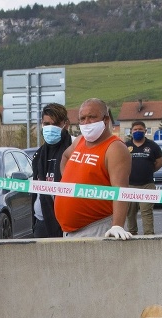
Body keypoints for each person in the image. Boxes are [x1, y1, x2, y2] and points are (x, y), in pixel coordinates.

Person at [53, 98, 133, 239]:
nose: (86, 123)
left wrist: (117, 225)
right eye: (82, 119)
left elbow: (121, 190)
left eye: (92, 117)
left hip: (98, 227)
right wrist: (68, 182)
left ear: (106, 119)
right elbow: (65, 157)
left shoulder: (115, 148)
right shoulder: (80, 141)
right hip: (69, 231)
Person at [31, 103, 71, 238]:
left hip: (68, 222)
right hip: (42, 222)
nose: (49, 128)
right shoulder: (39, 155)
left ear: (65, 124)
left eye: (54, 124)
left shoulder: (74, 150)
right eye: (46, 124)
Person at [124, 121, 162, 235]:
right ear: (131, 131)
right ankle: (132, 234)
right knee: (130, 213)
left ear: (145, 131)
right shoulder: (125, 146)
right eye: (135, 129)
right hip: (129, 185)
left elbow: (160, 162)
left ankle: (149, 235)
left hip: (147, 184)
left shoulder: (153, 146)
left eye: (140, 129)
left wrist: (149, 170)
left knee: (146, 212)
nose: (137, 131)